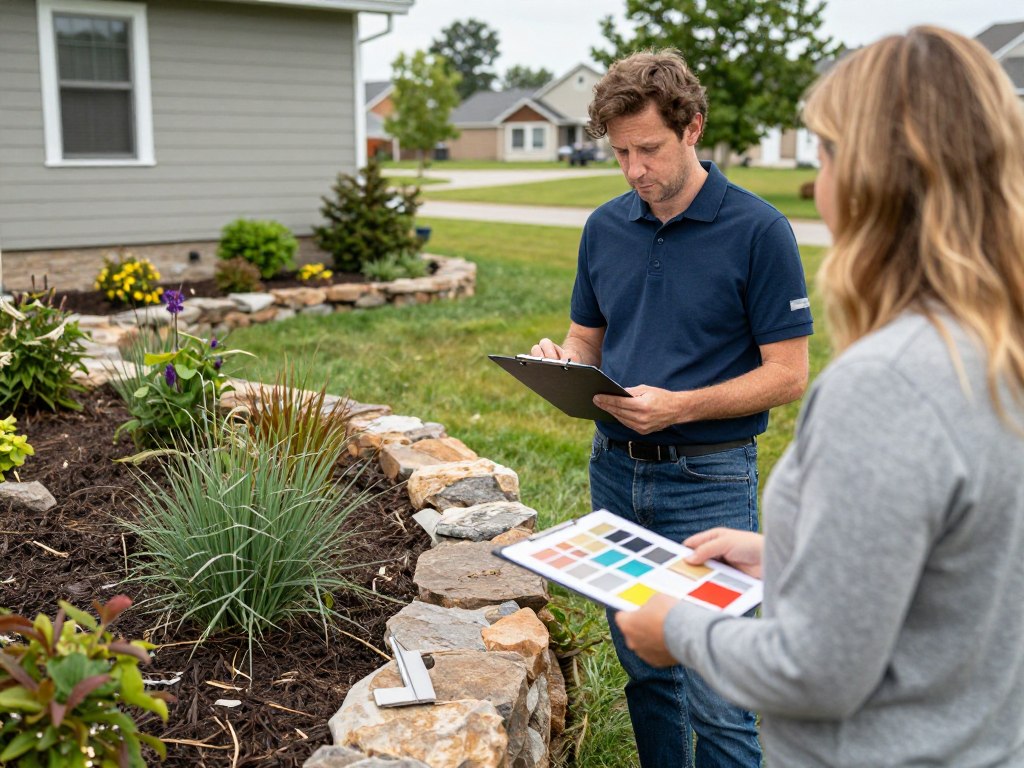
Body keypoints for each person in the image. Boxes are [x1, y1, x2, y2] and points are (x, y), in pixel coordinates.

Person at [616, 26, 1024, 767]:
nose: (818, 180)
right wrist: (790, 555)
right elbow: (960, 572)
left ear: (874, 178)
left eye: (825, 154)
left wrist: (673, 629)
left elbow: (820, 670)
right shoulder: (997, 347)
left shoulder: (887, 385)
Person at [532, 50, 813, 767]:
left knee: (720, 692)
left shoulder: (759, 231)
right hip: (614, 472)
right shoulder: (604, 227)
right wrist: (562, 364)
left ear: (692, 129)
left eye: (649, 149)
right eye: (621, 151)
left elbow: (788, 375)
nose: (634, 169)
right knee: (646, 670)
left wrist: (682, 405)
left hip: (708, 482)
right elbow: (583, 338)